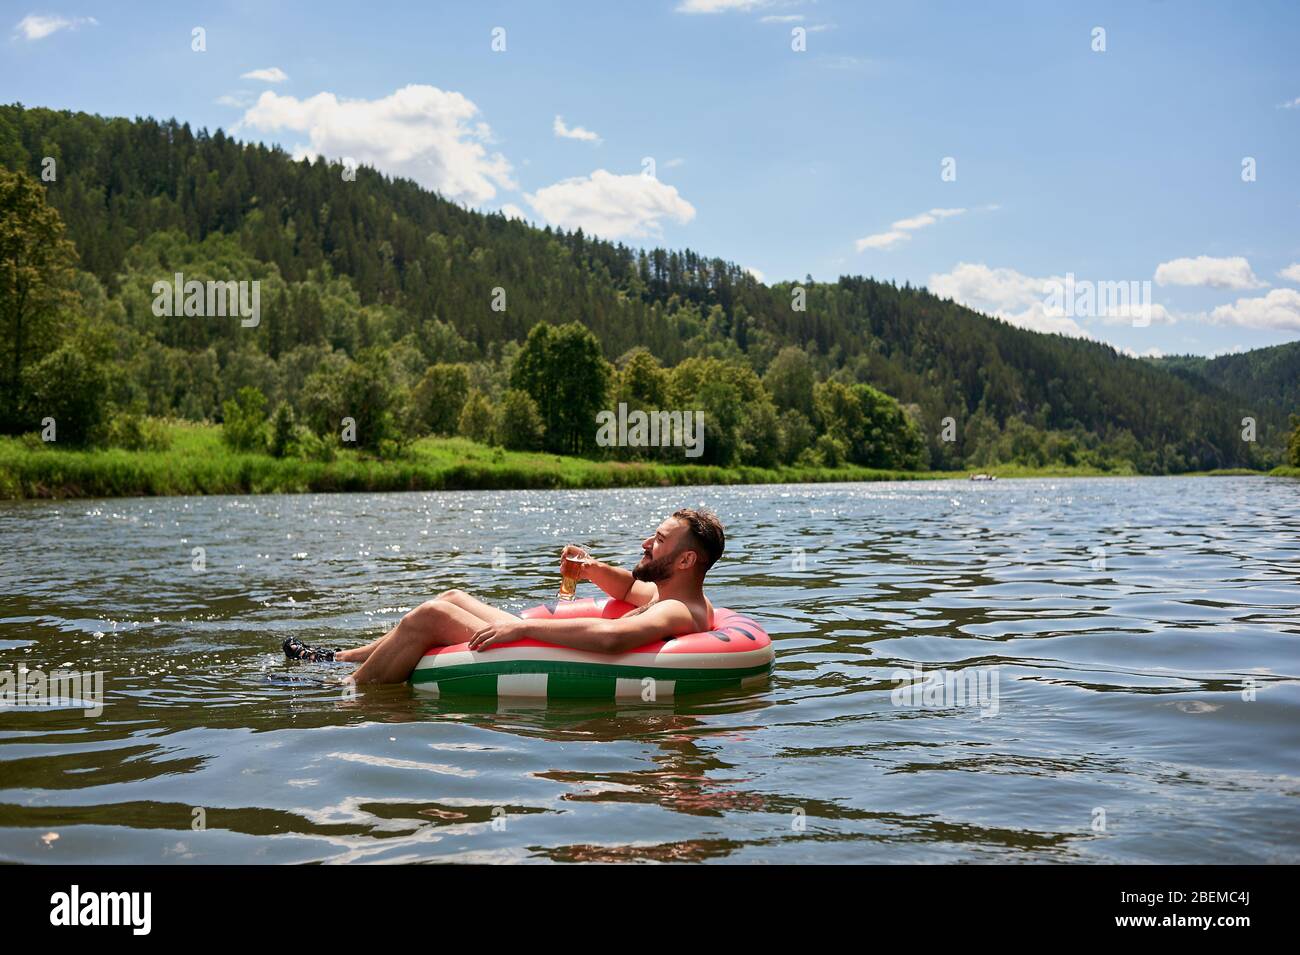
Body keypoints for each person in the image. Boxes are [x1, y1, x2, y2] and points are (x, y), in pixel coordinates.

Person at [282, 508, 725, 685]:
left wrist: (522, 626)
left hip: (553, 650)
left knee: (434, 615)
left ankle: (346, 691)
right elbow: (628, 588)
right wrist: (589, 568)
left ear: (685, 560)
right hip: (549, 638)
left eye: (660, 540)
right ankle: (338, 659)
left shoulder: (674, 608)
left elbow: (612, 641)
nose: (647, 542)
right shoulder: (670, 592)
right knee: (454, 593)